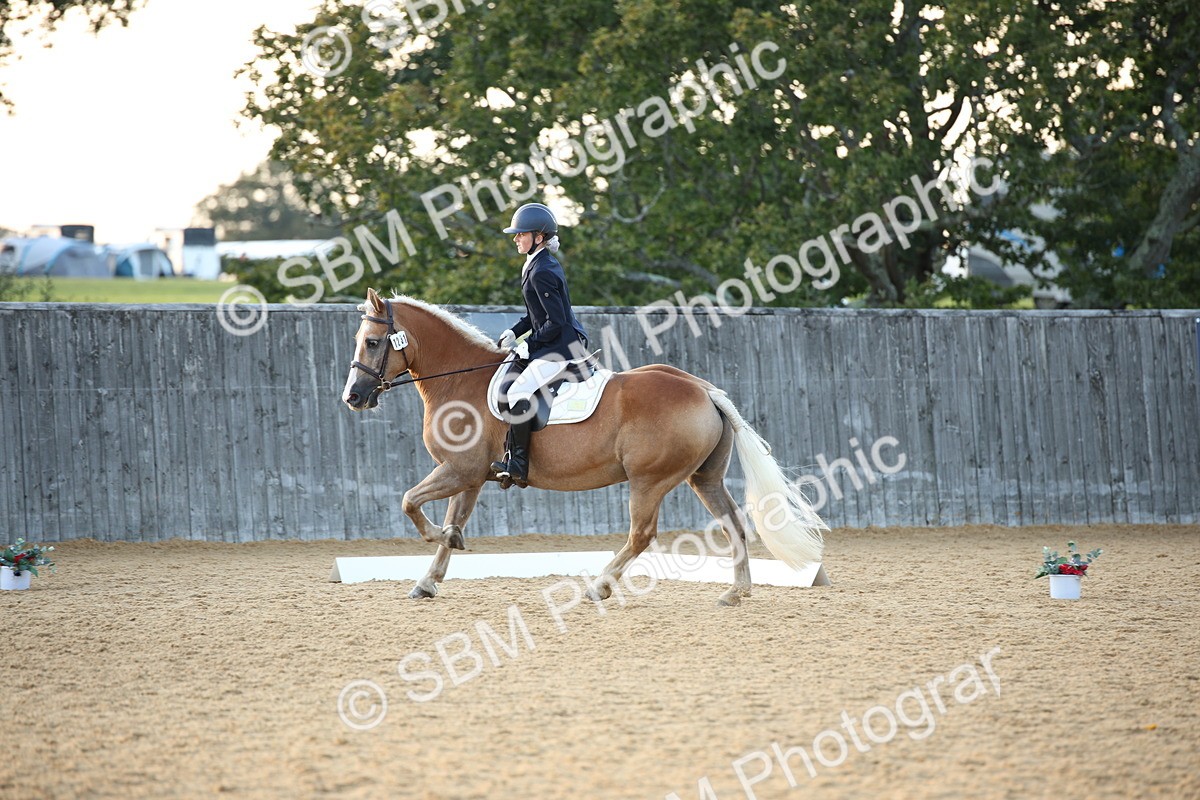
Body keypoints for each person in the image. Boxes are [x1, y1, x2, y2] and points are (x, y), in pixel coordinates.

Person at [490, 202, 590, 489]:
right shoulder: (535, 264)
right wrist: (515, 331)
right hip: (553, 339)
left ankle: (519, 464)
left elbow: (556, 322)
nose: (515, 238)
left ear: (539, 237)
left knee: (518, 391)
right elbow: (537, 315)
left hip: (562, 345)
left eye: (521, 234)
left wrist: (528, 345)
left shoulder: (542, 270)